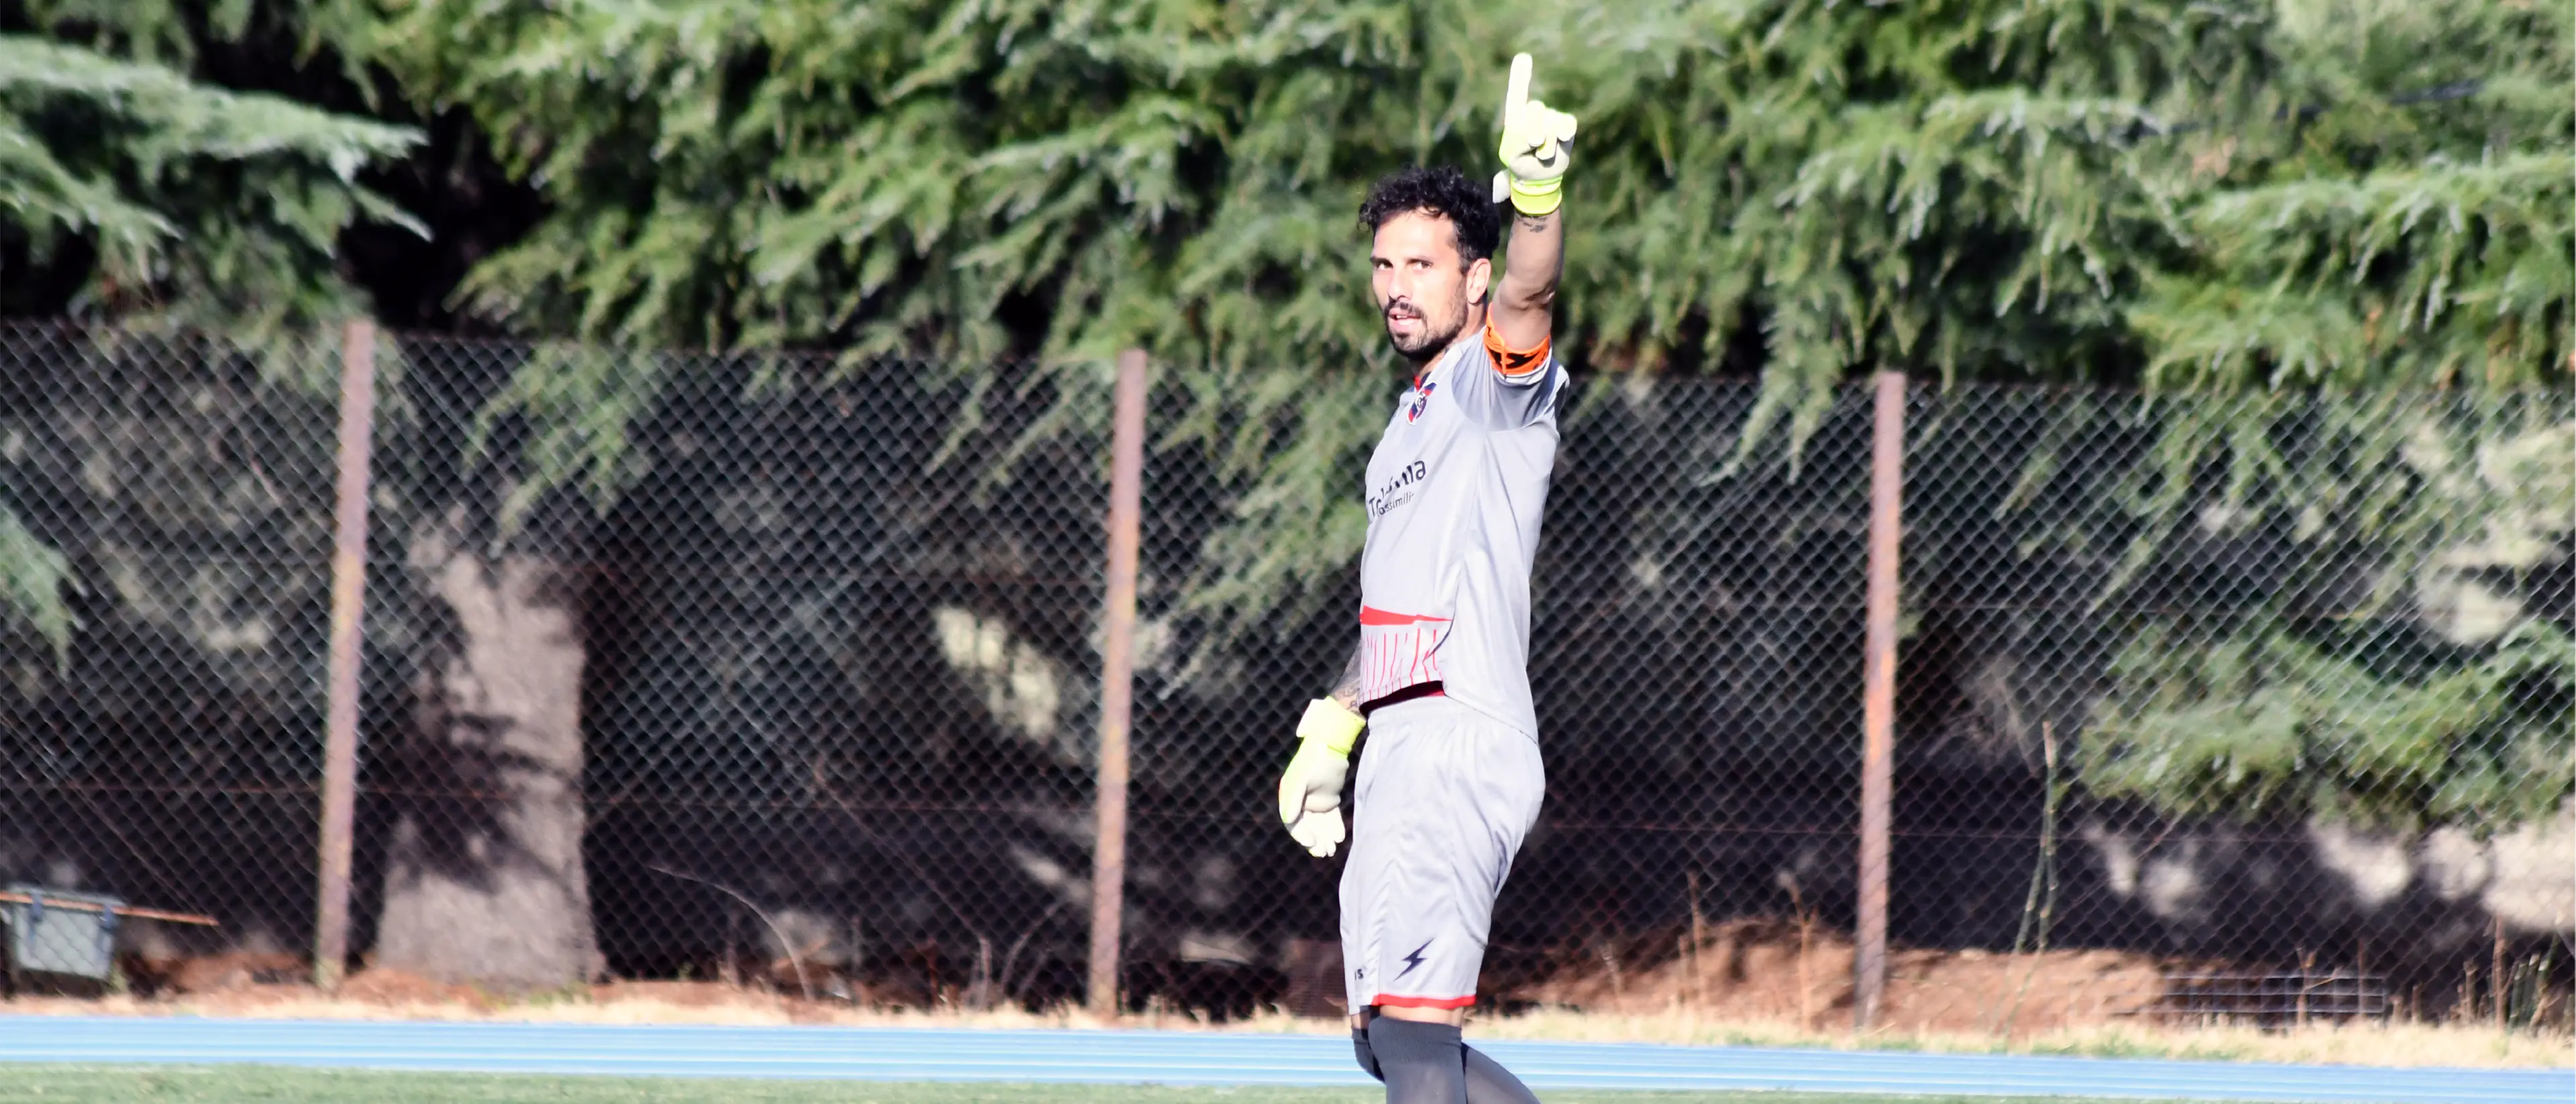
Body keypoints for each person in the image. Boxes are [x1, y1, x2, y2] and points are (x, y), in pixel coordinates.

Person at [1275, 53, 1578, 1104]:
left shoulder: (1489, 390)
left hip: (1453, 741)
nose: (1398, 285)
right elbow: (1402, 607)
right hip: (1404, 739)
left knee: (1409, 1039)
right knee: (1391, 1041)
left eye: (1424, 265)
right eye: (1384, 264)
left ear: (1473, 278)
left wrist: (1535, 200)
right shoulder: (1411, 417)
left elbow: (1535, 290)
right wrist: (1337, 724)